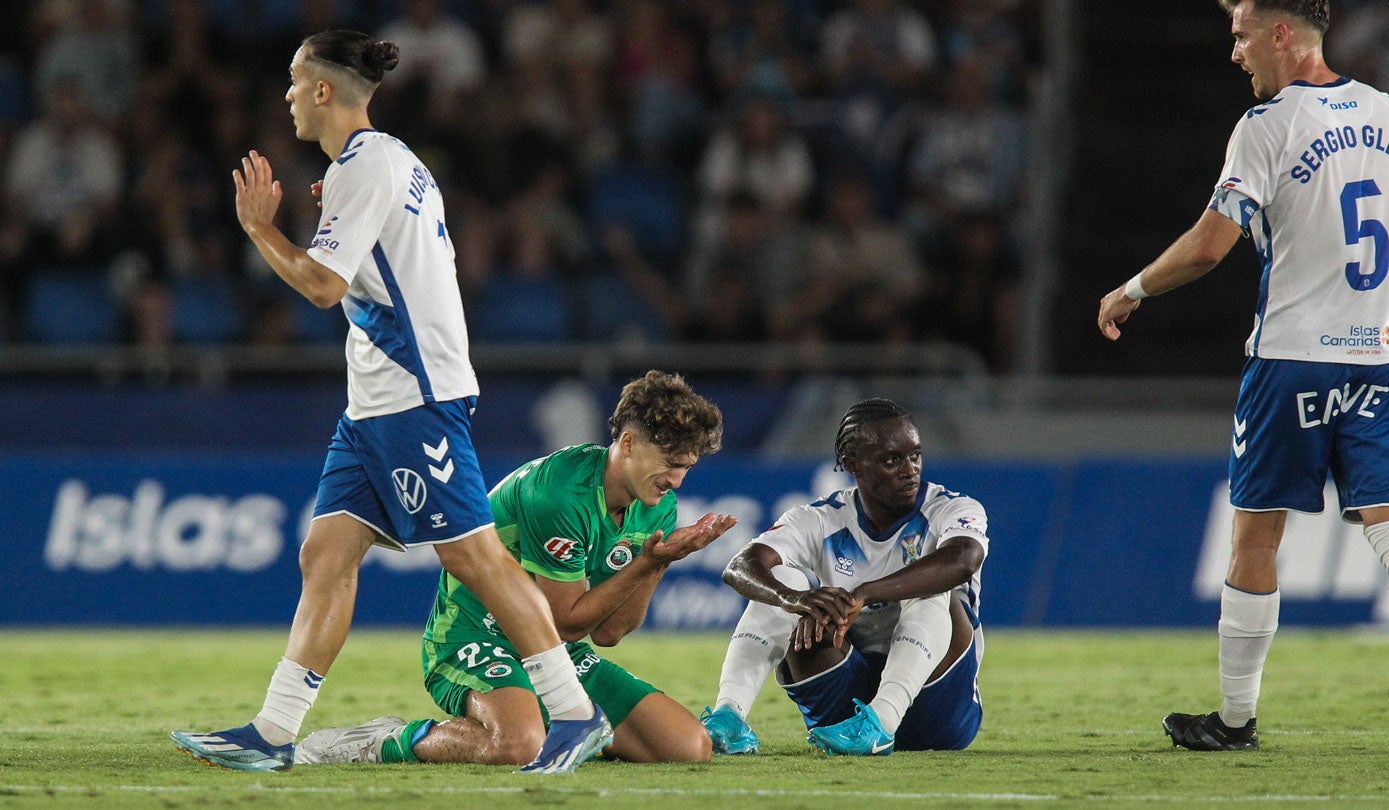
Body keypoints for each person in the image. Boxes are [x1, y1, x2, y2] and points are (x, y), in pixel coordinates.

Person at [169, 29, 608, 774]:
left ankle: (573, 712)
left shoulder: (364, 168)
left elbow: (320, 287)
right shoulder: (394, 162)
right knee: (326, 554)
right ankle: (274, 732)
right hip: (374, 403)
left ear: (321, 91)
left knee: (475, 557)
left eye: (292, 80)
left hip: (413, 395)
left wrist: (258, 228)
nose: (283, 95)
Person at [1096, 0, 1389, 751]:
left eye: (1240, 36)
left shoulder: (1265, 125)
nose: (1234, 54)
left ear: (1281, 35)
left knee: (1255, 539)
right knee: (1387, 528)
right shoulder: (1383, 113)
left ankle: (1233, 720)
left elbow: (1207, 246)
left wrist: (1131, 290)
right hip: (1375, 359)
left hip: (1290, 359)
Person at [292, 370, 736, 766]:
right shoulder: (560, 494)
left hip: (548, 648)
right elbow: (565, 623)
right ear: (628, 443)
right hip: (472, 636)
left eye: (686, 468)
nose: (677, 481)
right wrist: (645, 564)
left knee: (687, 747)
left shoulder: (656, 503)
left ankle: (550, 723)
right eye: (672, 465)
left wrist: (656, 564)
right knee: (518, 745)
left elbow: (609, 633)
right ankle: (385, 741)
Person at [700, 398, 987, 756]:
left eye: (915, 455)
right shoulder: (821, 518)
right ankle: (729, 716)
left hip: (938, 707)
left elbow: (963, 559)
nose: (909, 469)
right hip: (846, 702)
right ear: (854, 465)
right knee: (787, 581)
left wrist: (864, 593)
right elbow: (741, 565)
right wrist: (796, 600)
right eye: (891, 459)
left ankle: (882, 722)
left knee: (932, 586)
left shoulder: (951, 507)